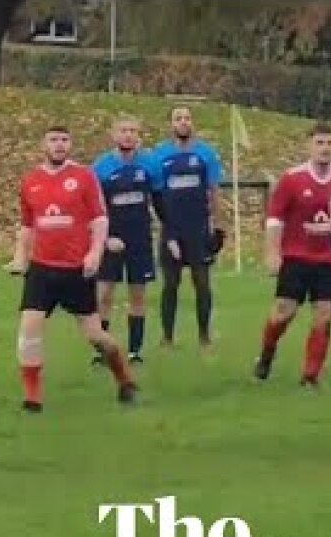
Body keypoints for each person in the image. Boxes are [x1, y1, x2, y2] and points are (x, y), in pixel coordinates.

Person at [12, 126, 138, 412]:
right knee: (29, 330)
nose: (59, 145)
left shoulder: (84, 177)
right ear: (43, 144)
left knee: (95, 335)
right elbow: (27, 225)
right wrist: (20, 257)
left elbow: (99, 219)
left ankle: (124, 379)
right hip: (42, 268)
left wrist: (94, 253)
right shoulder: (31, 180)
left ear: (70, 145)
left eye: (64, 140)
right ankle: (33, 397)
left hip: (75, 270)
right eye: (53, 139)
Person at [253, 122, 331, 387]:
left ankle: (310, 376)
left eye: (329, 143)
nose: (325, 149)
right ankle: (267, 352)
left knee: (324, 314)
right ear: (309, 146)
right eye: (319, 143)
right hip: (296, 257)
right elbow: (275, 218)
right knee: (283, 312)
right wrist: (272, 253)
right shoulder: (292, 179)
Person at [152, 105, 224, 353]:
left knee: (202, 284)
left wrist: (219, 227)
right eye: (178, 118)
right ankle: (167, 338)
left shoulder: (206, 154)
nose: (183, 122)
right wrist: (167, 228)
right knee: (170, 285)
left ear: (192, 123)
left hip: (199, 230)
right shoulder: (159, 155)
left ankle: (204, 337)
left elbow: (214, 192)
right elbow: (156, 196)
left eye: (187, 118)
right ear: (171, 124)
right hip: (172, 230)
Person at [91, 115, 162, 365]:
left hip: (140, 238)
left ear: (139, 135)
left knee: (138, 295)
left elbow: (159, 201)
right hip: (111, 240)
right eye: (123, 130)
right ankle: (102, 350)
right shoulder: (101, 168)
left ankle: (134, 351)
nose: (128, 135)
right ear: (114, 134)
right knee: (104, 295)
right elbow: (94, 209)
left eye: (133, 130)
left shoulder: (150, 165)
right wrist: (106, 237)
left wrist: (169, 231)